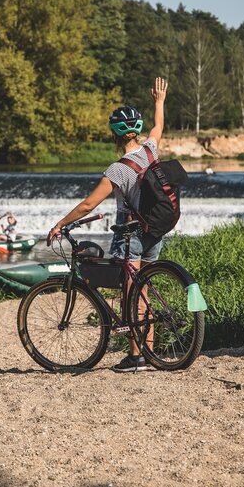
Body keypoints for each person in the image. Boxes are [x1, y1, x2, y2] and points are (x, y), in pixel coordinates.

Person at [47, 77, 169, 373]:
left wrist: (60, 224)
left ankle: (136, 356)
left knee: (132, 294)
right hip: (157, 229)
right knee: (144, 290)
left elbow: (89, 204)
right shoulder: (150, 151)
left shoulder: (118, 169)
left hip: (132, 235)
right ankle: (148, 353)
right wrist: (159, 102)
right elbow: (158, 127)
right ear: (136, 131)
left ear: (114, 135)